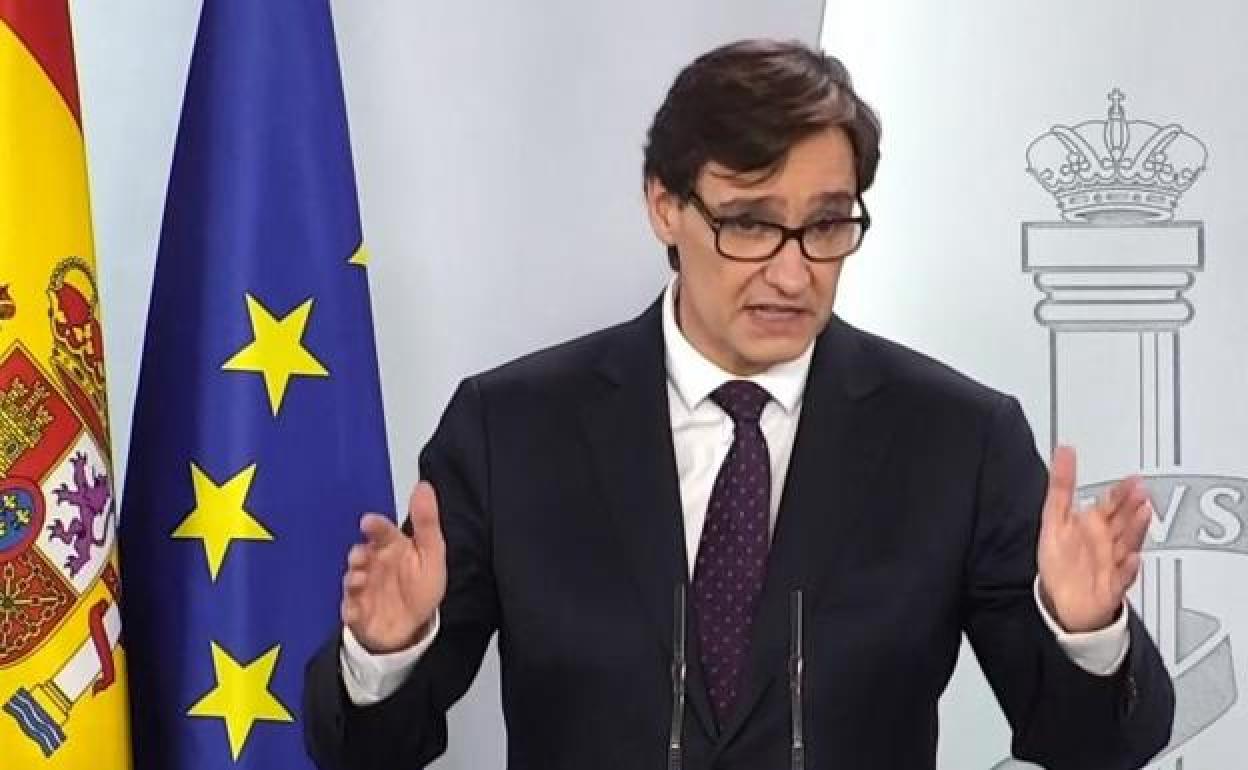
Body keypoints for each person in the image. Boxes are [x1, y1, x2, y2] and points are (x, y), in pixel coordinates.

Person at [302, 39, 1174, 769]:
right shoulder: (512, 431)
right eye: (750, 223)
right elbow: (366, 753)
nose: (793, 273)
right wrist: (386, 654)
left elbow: (1095, 748)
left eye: (826, 225)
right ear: (664, 206)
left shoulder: (958, 441)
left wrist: (1085, 632)